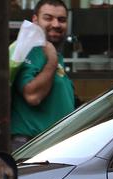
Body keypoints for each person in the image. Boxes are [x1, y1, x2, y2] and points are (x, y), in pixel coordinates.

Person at [11, 0, 75, 150]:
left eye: (62, 20)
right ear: (35, 20)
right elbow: (32, 95)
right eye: (48, 18)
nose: (56, 24)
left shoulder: (51, 53)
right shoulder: (29, 50)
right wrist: (52, 60)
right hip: (32, 146)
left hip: (53, 146)